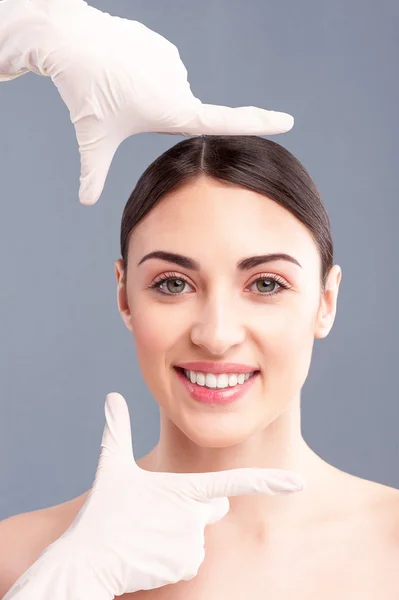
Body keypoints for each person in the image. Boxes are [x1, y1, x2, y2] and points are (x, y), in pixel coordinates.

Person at [1, 134, 399, 599]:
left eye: (266, 284)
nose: (215, 334)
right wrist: (65, 582)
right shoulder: (21, 557)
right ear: (124, 295)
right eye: (173, 284)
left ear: (325, 302)